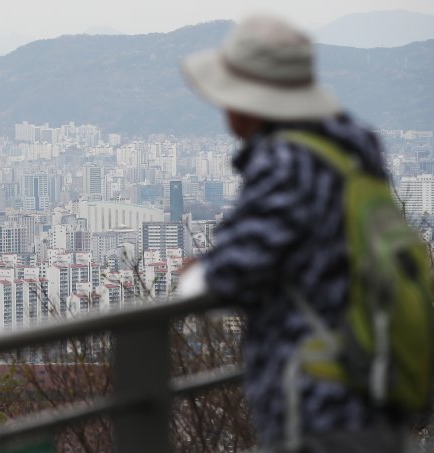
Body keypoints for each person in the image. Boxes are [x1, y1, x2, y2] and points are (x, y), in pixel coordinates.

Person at [177, 14, 410, 452]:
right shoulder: (353, 144)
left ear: (247, 103)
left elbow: (232, 272)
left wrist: (197, 273)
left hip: (321, 406)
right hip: (377, 384)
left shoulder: (286, 162)